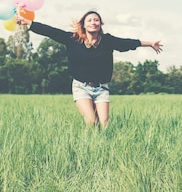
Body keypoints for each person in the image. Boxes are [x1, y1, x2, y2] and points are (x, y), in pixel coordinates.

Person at [15, 10, 163, 128]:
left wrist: (150, 43)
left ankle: (99, 150)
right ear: (84, 25)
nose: (94, 22)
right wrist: (29, 23)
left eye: (96, 20)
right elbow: (51, 31)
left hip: (102, 88)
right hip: (81, 87)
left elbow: (127, 43)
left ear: (100, 24)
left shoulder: (108, 41)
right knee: (91, 122)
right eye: (90, 20)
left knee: (104, 125)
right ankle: (84, 150)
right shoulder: (73, 39)